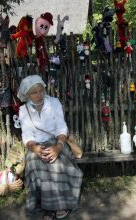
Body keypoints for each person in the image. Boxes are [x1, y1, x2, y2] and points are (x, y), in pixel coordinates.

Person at [17, 75, 83, 220]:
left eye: (41, 91)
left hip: (57, 141)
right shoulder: (23, 110)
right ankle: (48, 207)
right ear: (27, 94)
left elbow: (61, 128)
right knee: (36, 162)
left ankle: (59, 205)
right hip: (36, 145)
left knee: (56, 162)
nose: (39, 95)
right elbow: (27, 135)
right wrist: (35, 149)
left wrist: (59, 147)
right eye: (35, 93)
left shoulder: (54, 103)